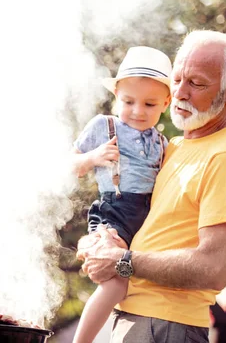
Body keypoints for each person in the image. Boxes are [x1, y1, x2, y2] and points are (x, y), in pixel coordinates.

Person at [77, 30, 226, 343]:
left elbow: (214, 267)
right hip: (136, 319)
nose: (180, 94)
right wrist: (96, 244)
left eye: (197, 83)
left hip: (166, 326)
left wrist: (121, 262)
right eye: (176, 80)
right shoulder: (170, 148)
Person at [71, 46, 172, 343]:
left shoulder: (163, 142)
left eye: (150, 104)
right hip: (114, 212)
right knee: (115, 286)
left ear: (166, 103)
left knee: (136, 284)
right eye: (128, 101)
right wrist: (93, 157)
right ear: (116, 95)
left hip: (146, 218)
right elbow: (69, 166)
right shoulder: (104, 126)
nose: (138, 111)